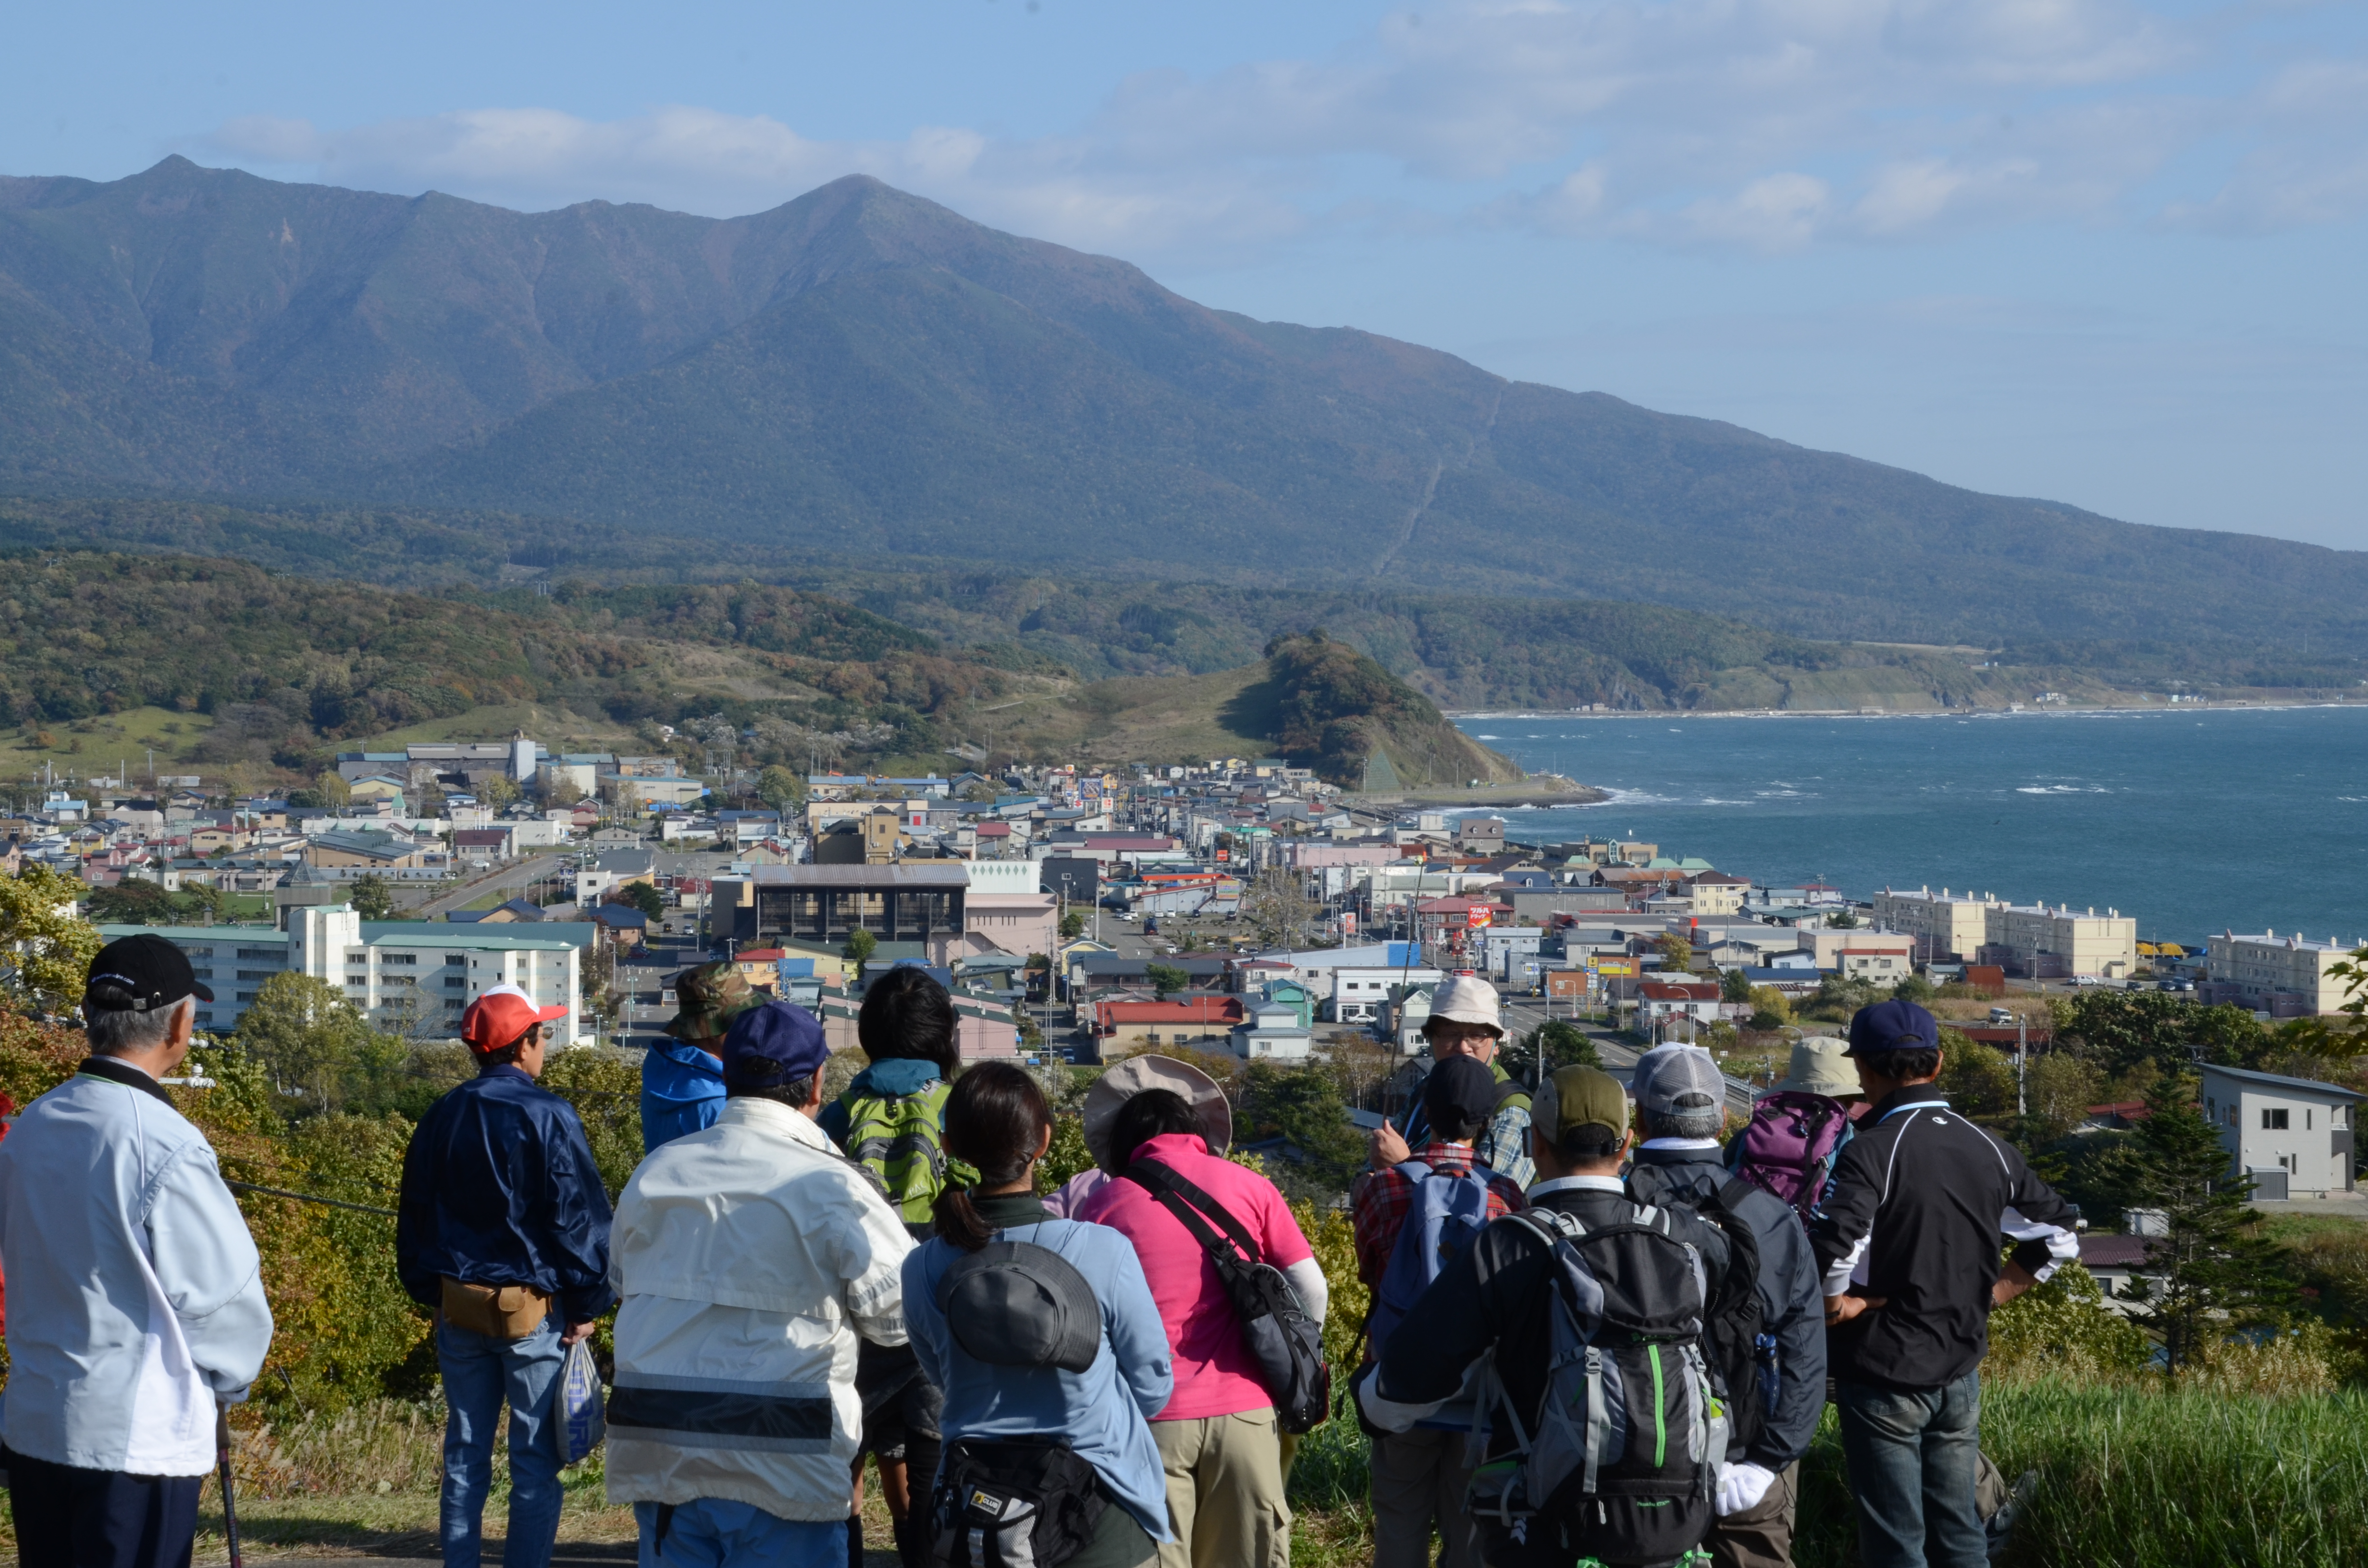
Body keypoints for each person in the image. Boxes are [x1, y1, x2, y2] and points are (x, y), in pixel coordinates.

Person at [1358, 1065, 1732, 1568]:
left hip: (1545, 1521)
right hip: (1672, 1518)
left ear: (1536, 1144)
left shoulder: (1512, 1244)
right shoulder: (1686, 1238)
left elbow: (1407, 1383)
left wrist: (1368, 1397)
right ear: (1626, 1146)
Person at [605, 999, 915, 1568]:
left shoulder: (656, 1171)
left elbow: (622, 1281)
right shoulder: (832, 1186)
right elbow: (899, 1319)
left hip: (659, 1450)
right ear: (817, 1082)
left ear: (726, 1073)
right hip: (785, 1458)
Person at [0, 936, 273, 1568]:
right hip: (134, 1439)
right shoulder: (165, 1142)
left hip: (37, 1421)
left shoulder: (32, 1127)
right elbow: (223, 1300)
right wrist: (230, 1383)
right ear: (181, 1023)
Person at [1811, 1001, 2077, 1568]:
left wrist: (1836, 1304)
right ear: (1937, 1063)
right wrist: (1992, 1294)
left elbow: (1835, 1244)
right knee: (1958, 1530)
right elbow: (2057, 1235)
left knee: (1893, 1541)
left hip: (1882, 1367)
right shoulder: (1988, 1148)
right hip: (1958, 1364)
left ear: (1865, 1071)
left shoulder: (1872, 1151)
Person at [903, 1063, 1178, 1568]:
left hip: (977, 1519)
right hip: (1097, 1513)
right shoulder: (1100, 1249)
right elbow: (1153, 1385)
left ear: (946, 1144)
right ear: (1043, 1141)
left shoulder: (922, 1265)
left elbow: (941, 1375)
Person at [397, 983, 615, 1568]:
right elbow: (576, 1219)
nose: (546, 1044)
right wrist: (588, 1302)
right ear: (523, 1047)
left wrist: (430, 1293)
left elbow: (414, 1213)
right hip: (534, 1312)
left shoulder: (443, 1113)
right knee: (534, 1460)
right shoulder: (547, 1114)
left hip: (457, 1305)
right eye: (543, 1035)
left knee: (464, 1452)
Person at [1077, 1062, 1323, 1568]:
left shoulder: (1099, 1207)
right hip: (1246, 1413)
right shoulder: (1252, 1188)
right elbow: (1309, 1286)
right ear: (1196, 1130)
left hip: (1148, 1421)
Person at [1624, 1046, 1827, 1568]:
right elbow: (1803, 1348)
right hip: (1751, 1457)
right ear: (1721, 1118)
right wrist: (1767, 1462)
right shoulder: (1771, 1216)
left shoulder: (1618, 1207)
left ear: (1639, 1118)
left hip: (1633, 1465)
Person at [1348, 1054, 1527, 1568]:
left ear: (1424, 1109)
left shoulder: (1383, 1186)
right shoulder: (1505, 1193)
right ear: (1487, 1120)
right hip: (1479, 1384)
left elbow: (1369, 1271)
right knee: (1469, 1525)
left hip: (1398, 1372)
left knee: (1399, 1517)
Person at [816, 963, 962, 1568]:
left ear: (869, 1034)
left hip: (852, 1313)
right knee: (927, 1469)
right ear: (943, 1036)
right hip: (938, 1304)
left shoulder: (839, 1115)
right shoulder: (962, 1107)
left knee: (846, 1465)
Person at [1371, 975, 1533, 1189]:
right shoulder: (1426, 1088)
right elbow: (1377, 1160)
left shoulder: (1510, 1109)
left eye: (1477, 1035)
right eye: (1450, 1034)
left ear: (1496, 1044)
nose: (1463, 1047)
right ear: (1430, 1040)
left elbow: (1491, 1201)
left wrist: (1402, 1167)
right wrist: (1364, 1181)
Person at [640, 960, 761, 1153]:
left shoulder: (664, 1069)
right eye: (743, 1021)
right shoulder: (721, 1105)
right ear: (713, 1030)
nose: (753, 1029)